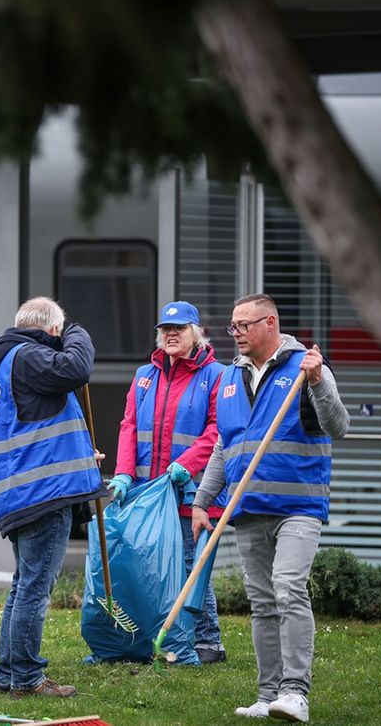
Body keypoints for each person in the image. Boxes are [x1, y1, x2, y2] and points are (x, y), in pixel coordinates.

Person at [191, 294, 349, 723]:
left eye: (244, 325)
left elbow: (339, 426)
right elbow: (226, 445)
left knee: (287, 587)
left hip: (298, 504)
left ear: (270, 323)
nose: (236, 333)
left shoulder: (305, 368)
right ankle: (268, 694)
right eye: (233, 327)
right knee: (261, 602)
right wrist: (203, 499)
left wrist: (318, 383)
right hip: (247, 508)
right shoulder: (228, 379)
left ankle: (296, 693)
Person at [0, 296, 106, 699]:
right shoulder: (28, 357)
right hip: (42, 495)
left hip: (17, 495)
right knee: (33, 587)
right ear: (50, 331)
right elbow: (76, 369)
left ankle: (7, 673)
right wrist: (76, 333)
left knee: (22, 585)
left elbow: (31, 431)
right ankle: (27, 678)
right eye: (59, 333)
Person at [111, 300, 228, 663]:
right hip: (149, 492)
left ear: (197, 333)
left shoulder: (217, 376)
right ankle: (160, 634)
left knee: (192, 565)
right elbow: (129, 426)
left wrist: (186, 465)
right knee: (151, 566)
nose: (172, 334)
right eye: (166, 329)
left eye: (180, 328)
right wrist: (124, 473)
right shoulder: (145, 375)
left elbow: (219, 430)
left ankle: (209, 642)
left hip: (191, 491)